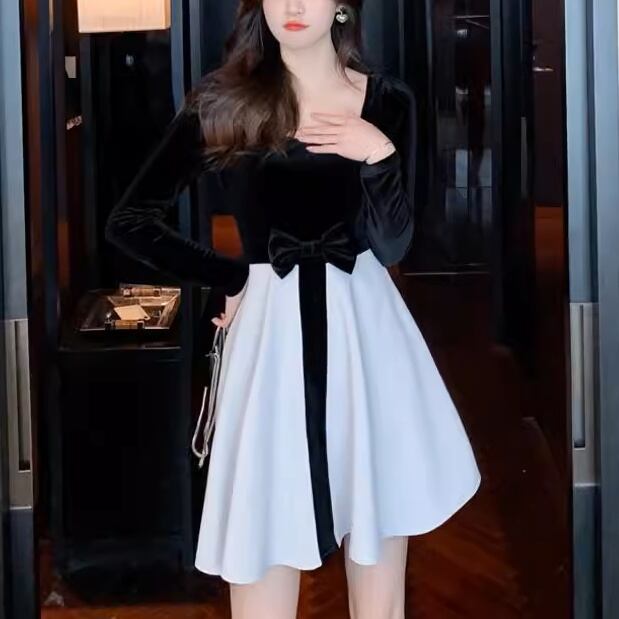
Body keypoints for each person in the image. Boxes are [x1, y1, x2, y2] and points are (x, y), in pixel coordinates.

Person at [105, 1, 482, 617]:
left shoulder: (388, 101)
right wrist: (230, 277)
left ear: (342, 6)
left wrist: (378, 155)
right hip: (270, 339)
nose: (295, 6)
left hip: (367, 336)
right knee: (261, 542)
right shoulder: (224, 101)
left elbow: (393, 245)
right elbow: (130, 219)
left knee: (379, 572)